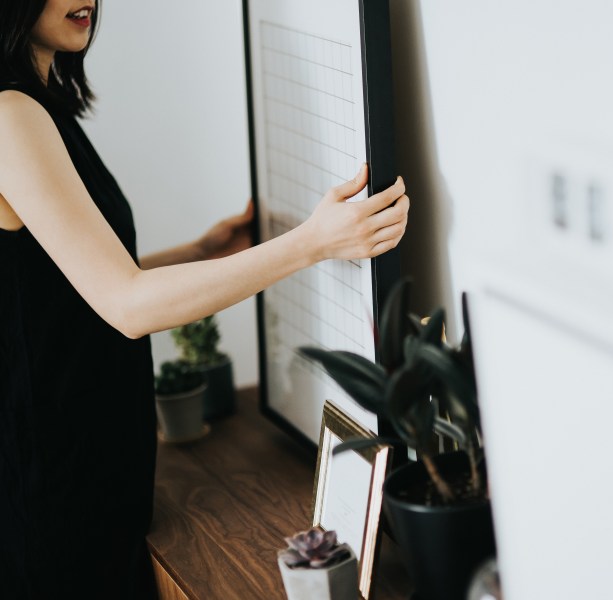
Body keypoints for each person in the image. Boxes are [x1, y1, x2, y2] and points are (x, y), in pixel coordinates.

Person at [0, 0, 410, 597]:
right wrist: (312, 244)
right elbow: (126, 305)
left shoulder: (38, 108)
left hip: (88, 482)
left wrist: (202, 251)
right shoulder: (11, 115)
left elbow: (71, 284)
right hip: (54, 498)